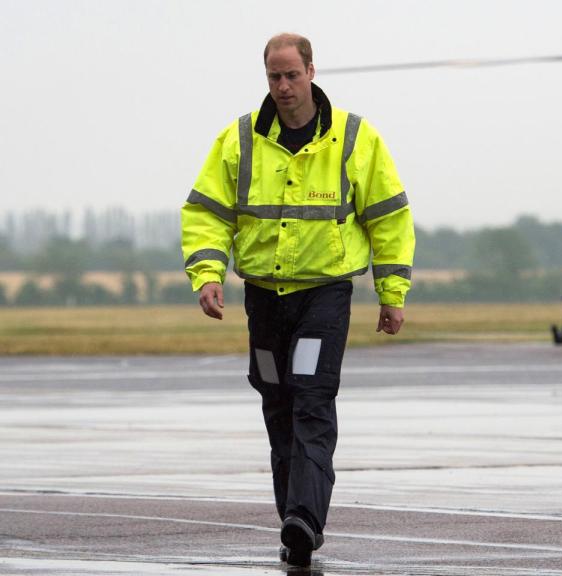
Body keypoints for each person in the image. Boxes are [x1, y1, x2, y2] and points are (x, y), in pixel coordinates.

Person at [180, 32, 414, 567]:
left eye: (291, 75)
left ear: (312, 71)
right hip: (262, 299)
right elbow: (206, 212)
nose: (283, 87)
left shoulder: (354, 138)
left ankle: (304, 519)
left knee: (311, 397)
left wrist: (392, 293)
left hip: (322, 298)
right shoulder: (238, 140)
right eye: (273, 77)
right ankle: (293, 518)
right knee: (276, 399)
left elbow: (389, 216)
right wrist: (207, 273)